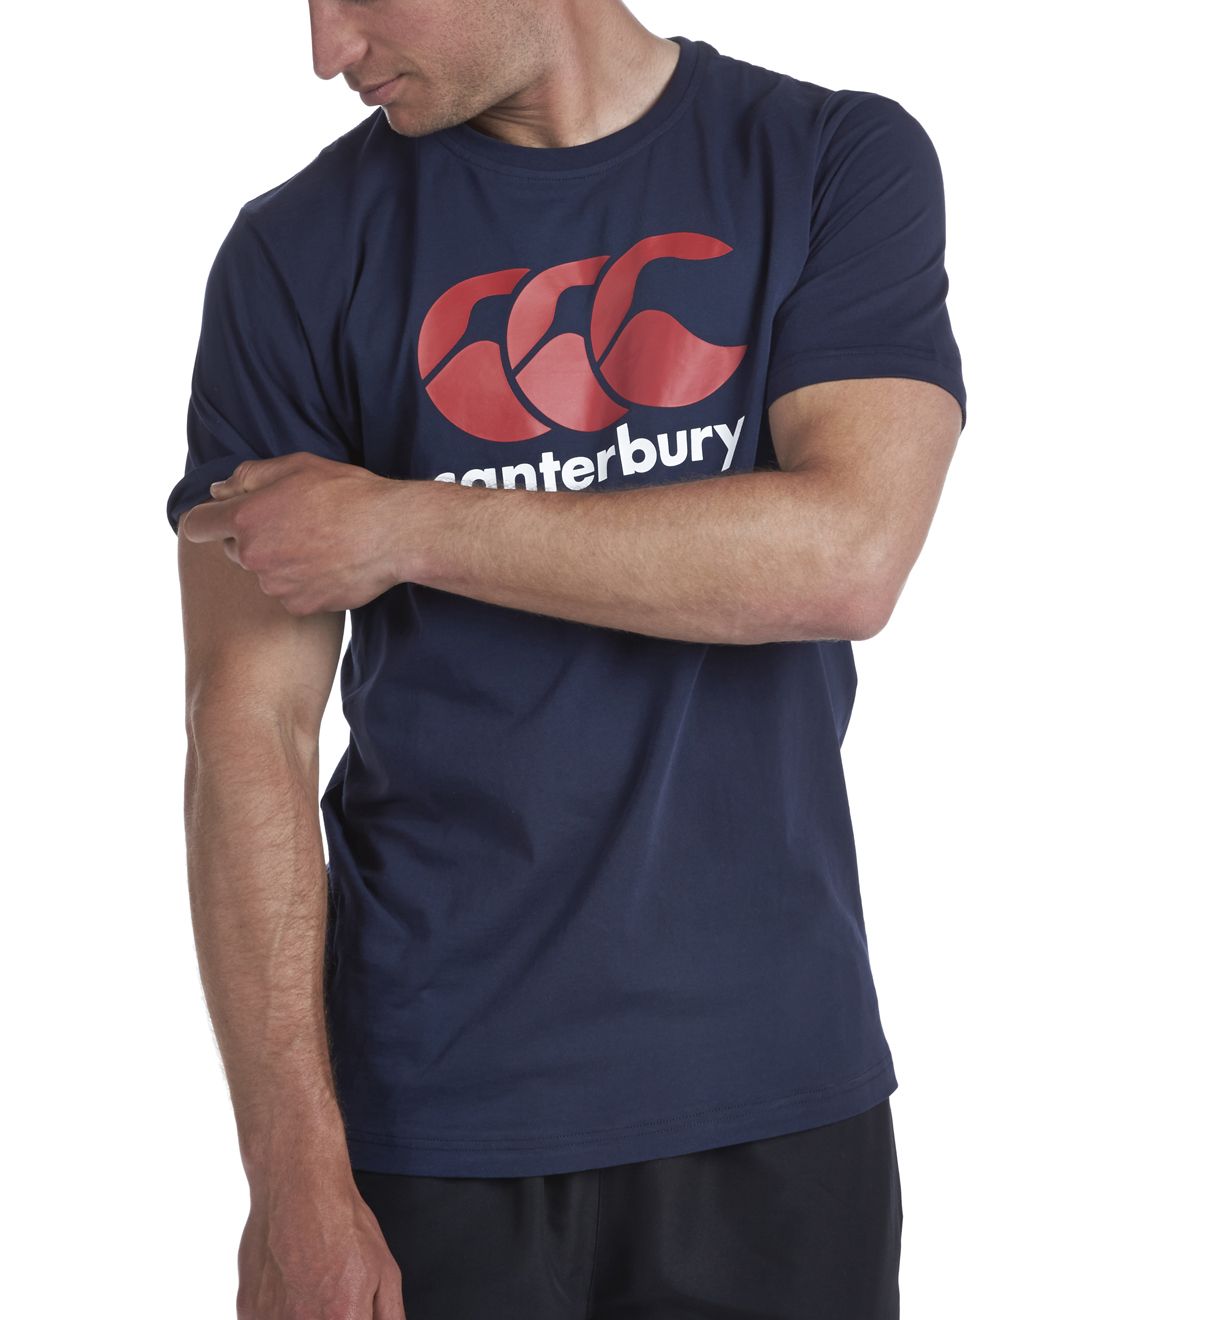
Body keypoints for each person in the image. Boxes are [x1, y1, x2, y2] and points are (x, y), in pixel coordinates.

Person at [167, 2, 966, 1316]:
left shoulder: (826, 158)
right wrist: (292, 1176)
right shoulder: (294, 253)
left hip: (775, 1093)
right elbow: (245, 730)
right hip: (430, 1116)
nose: (325, 49)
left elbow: (847, 555)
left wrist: (405, 523)